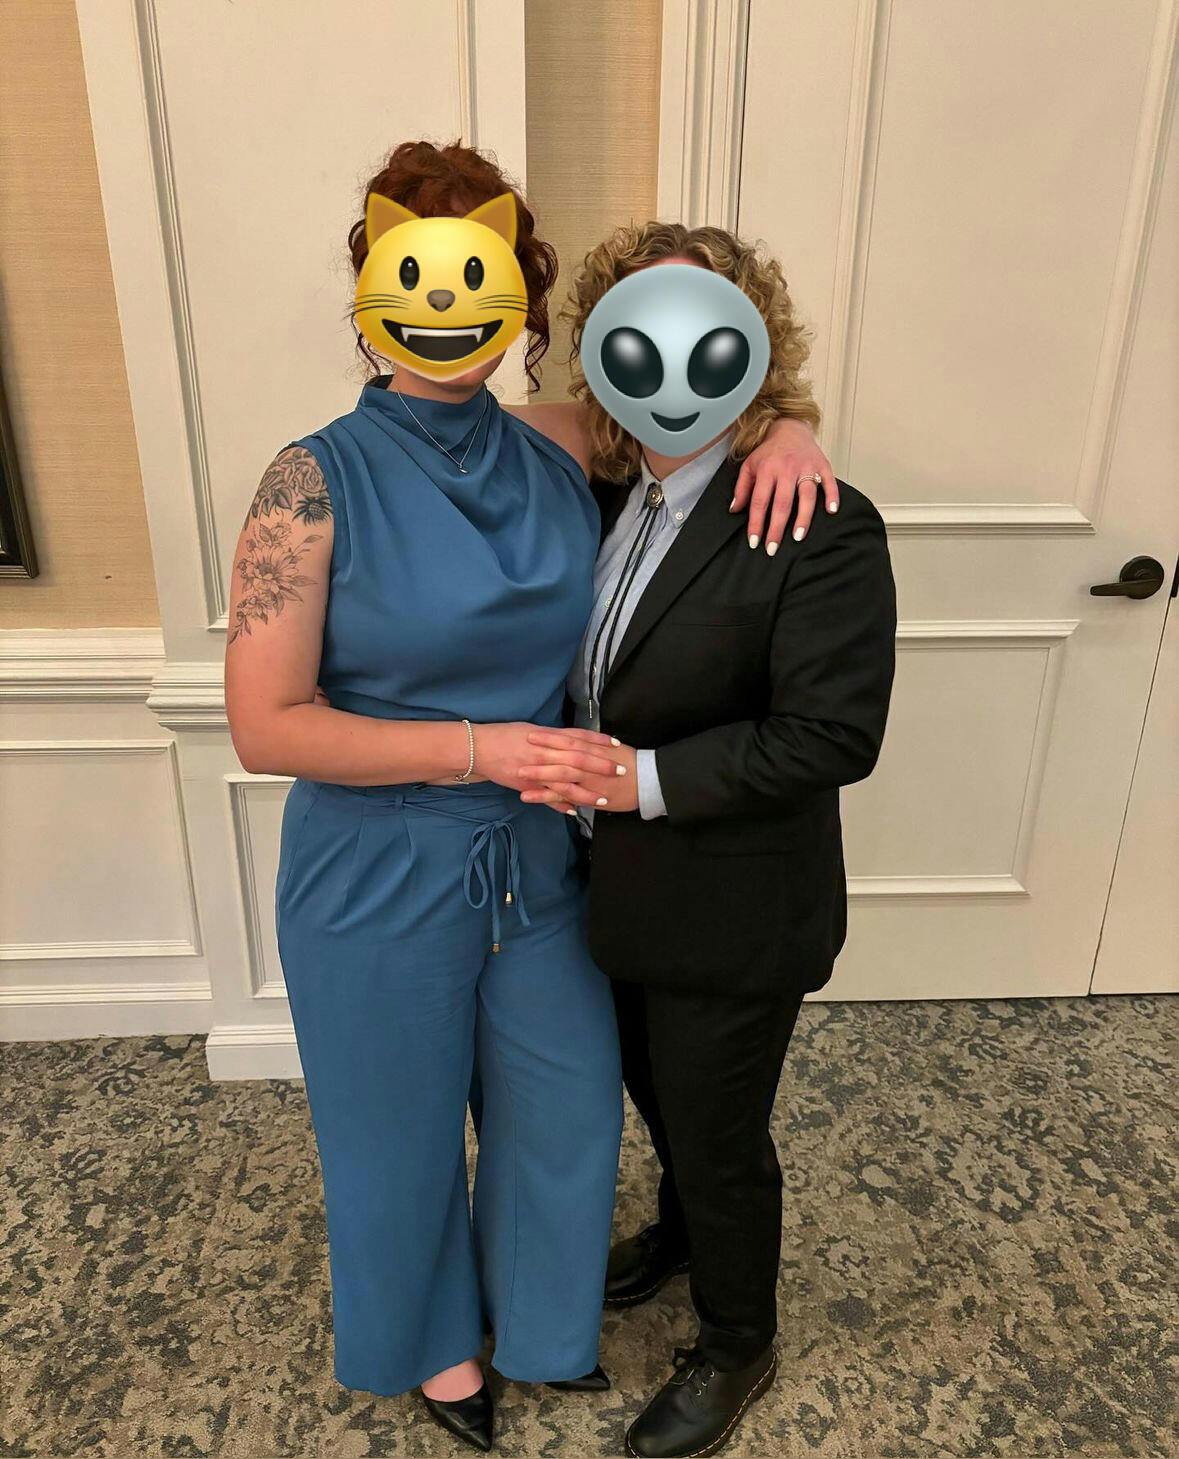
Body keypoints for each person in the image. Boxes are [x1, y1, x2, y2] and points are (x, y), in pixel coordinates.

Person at [223, 140, 838, 1454]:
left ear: (522, 300)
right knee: (394, 1135)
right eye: (416, 270)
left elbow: (703, 423)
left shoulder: (561, 444)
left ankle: (543, 1324)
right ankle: (437, 1346)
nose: (447, 304)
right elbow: (265, 724)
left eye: (481, 272)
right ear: (372, 290)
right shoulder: (307, 481)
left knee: (563, 1107)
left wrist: (792, 423)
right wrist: (479, 749)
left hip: (543, 860)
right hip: (376, 865)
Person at [517, 221, 898, 1458]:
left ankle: (738, 1338)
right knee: (656, 1094)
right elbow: (463, 420)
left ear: (753, 345)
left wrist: (640, 780)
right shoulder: (604, 490)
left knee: (719, 1132)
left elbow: (831, 735)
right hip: (612, 890)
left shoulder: (819, 518)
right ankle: (683, 1236)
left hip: (736, 904)